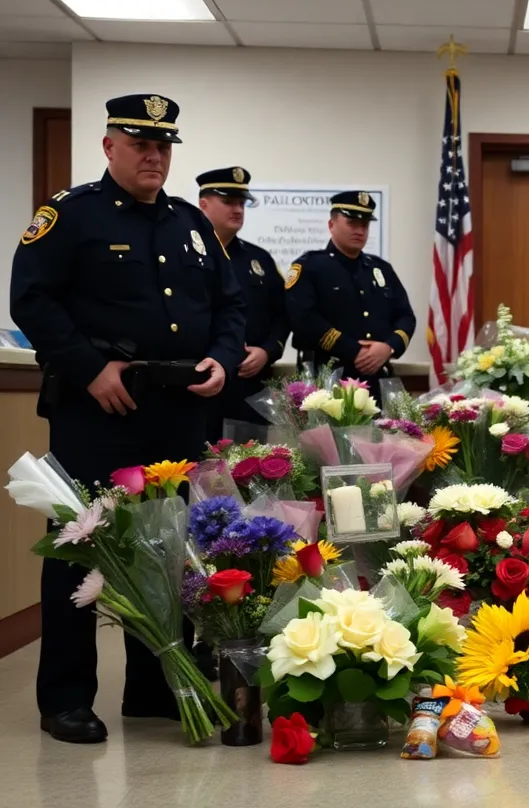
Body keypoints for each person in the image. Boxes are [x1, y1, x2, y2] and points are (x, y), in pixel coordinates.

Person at [10, 93, 245, 743]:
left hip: (179, 413)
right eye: (140, 143)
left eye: (163, 145)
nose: (154, 155)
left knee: (167, 551)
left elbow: (231, 308)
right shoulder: (71, 215)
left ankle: (152, 687)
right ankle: (64, 696)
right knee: (78, 548)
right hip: (99, 410)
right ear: (109, 145)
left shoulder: (191, 224)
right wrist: (89, 367)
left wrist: (224, 361)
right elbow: (31, 299)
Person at [196, 166, 289, 436]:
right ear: (203, 204)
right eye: (228, 202)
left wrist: (268, 351)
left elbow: (283, 314)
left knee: (253, 469)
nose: (237, 209)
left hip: (250, 387)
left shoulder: (258, 259)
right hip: (200, 382)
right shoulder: (186, 252)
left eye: (241, 203)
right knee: (196, 471)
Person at [284, 192, 415, 383]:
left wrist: (389, 347)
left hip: (378, 376)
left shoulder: (380, 269)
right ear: (331, 225)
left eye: (365, 225)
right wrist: (355, 351)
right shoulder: (309, 267)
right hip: (326, 375)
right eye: (352, 223)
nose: (360, 231)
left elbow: (406, 316)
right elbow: (303, 319)